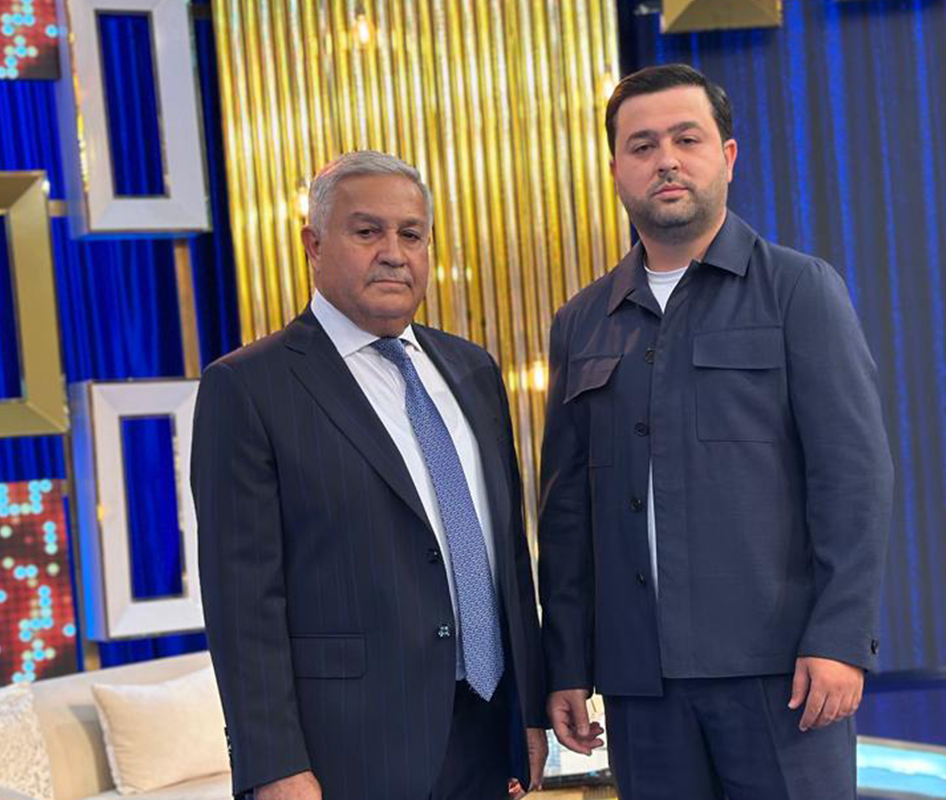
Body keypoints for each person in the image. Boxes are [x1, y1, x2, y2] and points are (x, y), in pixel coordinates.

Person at [537, 63, 894, 799]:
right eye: (641, 146)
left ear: (727, 157)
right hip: (642, 688)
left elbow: (853, 477)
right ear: (615, 170)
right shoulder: (582, 322)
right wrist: (566, 662)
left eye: (686, 139)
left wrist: (839, 639)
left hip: (783, 675)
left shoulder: (798, 291)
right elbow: (566, 512)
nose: (665, 160)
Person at [192, 150, 547, 800]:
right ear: (314, 245)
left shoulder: (473, 370)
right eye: (367, 232)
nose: (393, 253)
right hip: (348, 755)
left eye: (411, 234)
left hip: (487, 736)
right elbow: (242, 603)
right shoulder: (247, 387)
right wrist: (273, 764)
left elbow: (505, 557)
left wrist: (527, 709)